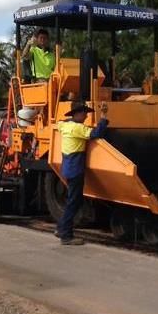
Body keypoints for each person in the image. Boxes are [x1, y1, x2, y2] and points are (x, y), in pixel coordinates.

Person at [56, 100, 109, 246]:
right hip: (75, 169)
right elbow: (97, 133)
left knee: (72, 201)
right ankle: (66, 236)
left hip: (67, 168)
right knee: (74, 202)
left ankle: (61, 228)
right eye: (84, 113)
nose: (86, 116)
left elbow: (59, 123)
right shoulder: (78, 128)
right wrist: (104, 116)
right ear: (77, 114)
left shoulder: (65, 125)